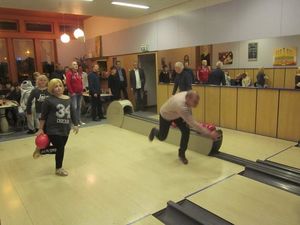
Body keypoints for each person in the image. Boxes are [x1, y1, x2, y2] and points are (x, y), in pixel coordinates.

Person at [148, 91, 218, 164]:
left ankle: (181, 154)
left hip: (177, 113)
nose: (196, 104)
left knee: (186, 131)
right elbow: (193, 123)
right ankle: (154, 131)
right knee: (162, 137)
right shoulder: (181, 106)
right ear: (188, 98)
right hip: (166, 115)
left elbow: (189, 111)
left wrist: (189, 120)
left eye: (197, 102)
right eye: (195, 102)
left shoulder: (187, 95)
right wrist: (209, 134)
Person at [33, 79, 79, 176]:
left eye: (60, 85)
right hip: (53, 129)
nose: (58, 88)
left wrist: (76, 124)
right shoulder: (48, 100)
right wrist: (40, 129)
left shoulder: (68, 99)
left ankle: (41, 150)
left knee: (60, 148)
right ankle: (59, 169)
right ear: (52, 89)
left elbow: (73, 112)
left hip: (65, 128)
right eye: (55, 86)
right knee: (61, 148)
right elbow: (43, 116)